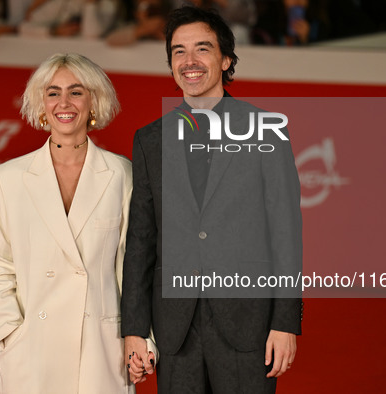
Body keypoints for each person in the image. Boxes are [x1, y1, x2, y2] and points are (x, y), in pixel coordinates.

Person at [121, 5, 303, 393]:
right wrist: (135, 329)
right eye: (178, 51)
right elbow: (141, 240)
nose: (190, 61)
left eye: (202, 49)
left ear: (226, 59)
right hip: (175, 328)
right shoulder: (150, 140)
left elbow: (285, 235)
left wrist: (285, 322)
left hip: (248, 325)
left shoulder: (268, 133)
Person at [0, 53, 155, 393]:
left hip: (101, 350)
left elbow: (137, 268)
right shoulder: (10, 178)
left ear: (93, 102)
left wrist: (143, 339)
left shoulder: (122, 174)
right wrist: (8, 329)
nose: (64, 102)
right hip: (31, 349)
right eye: (53, 92)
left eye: (76, 92)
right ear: (41, 105)